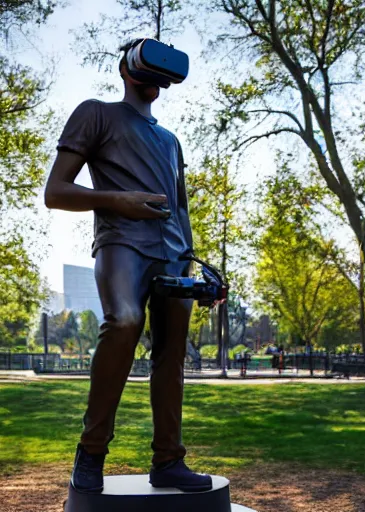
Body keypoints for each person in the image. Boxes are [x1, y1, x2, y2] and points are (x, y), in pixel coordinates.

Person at [44, 39, 212, 494]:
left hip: (175, 255)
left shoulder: (170, 141)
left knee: (172, 353)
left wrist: (198, 269)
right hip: (122, 243)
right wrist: (119, 201)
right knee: (124, 321)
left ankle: (169, 462)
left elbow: (180, 209)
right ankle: (92, 451)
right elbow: (55, 192)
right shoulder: (96, 113)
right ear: (126, 70)